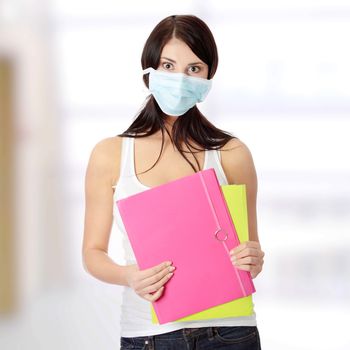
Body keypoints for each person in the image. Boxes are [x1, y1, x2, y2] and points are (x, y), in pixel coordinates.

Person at [82, 14, 265, 350]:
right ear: (149, 70)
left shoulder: (232, 154)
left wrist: (254, 257)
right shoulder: (110, 155)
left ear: (209, 77)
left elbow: (251, 256)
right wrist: (129, 276)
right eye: (168, 65)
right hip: (147, 334)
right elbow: (92, 254)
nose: (180, 79)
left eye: (194, 69)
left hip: (229, 332)